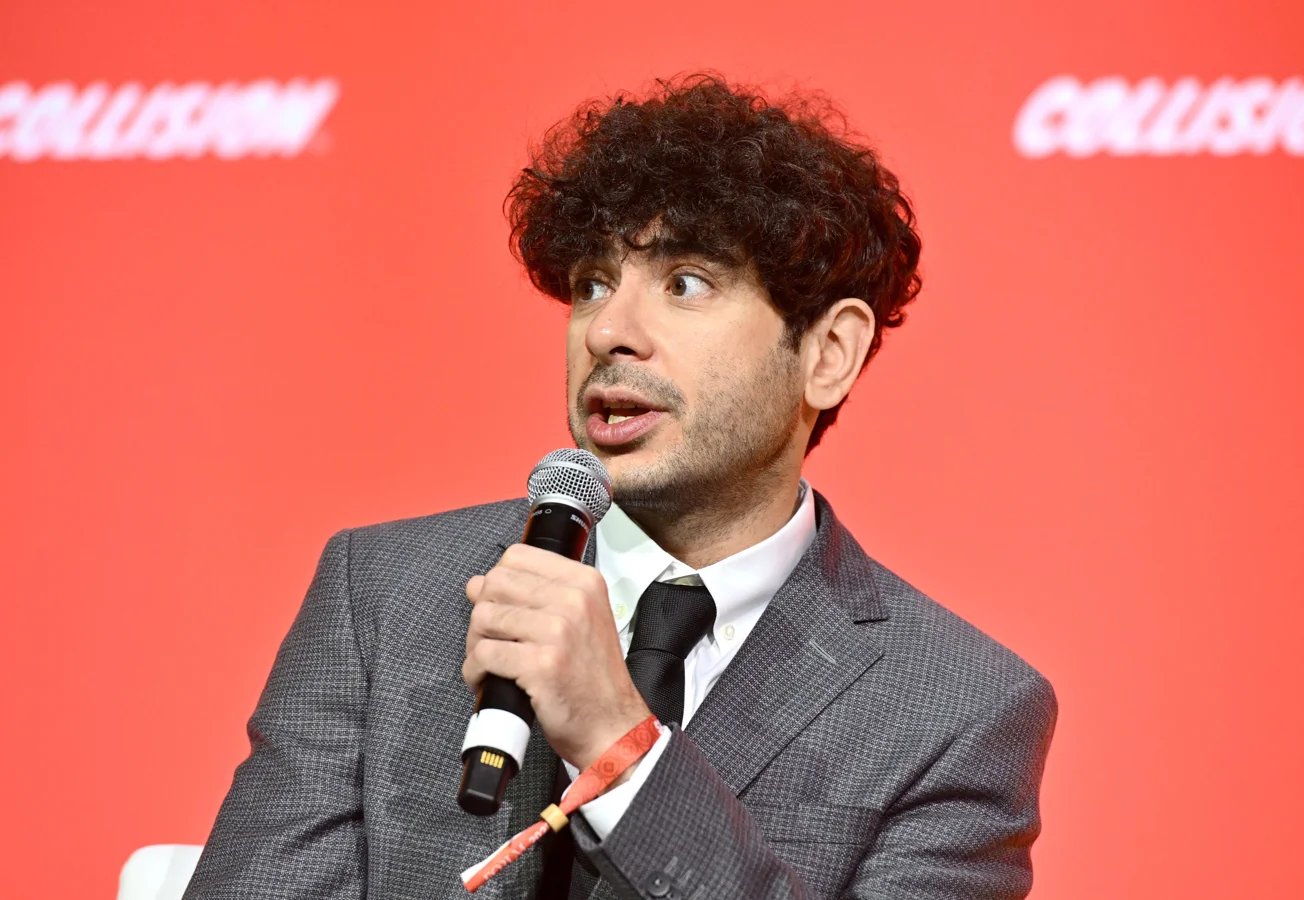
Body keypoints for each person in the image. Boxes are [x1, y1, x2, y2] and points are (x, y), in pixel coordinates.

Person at [184, 73, 1057, 900]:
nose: (608, 330)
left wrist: (620, 746)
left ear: (828, 354)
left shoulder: (957, 708)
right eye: (592, 284)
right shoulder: (384, 594)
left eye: (686, 284)